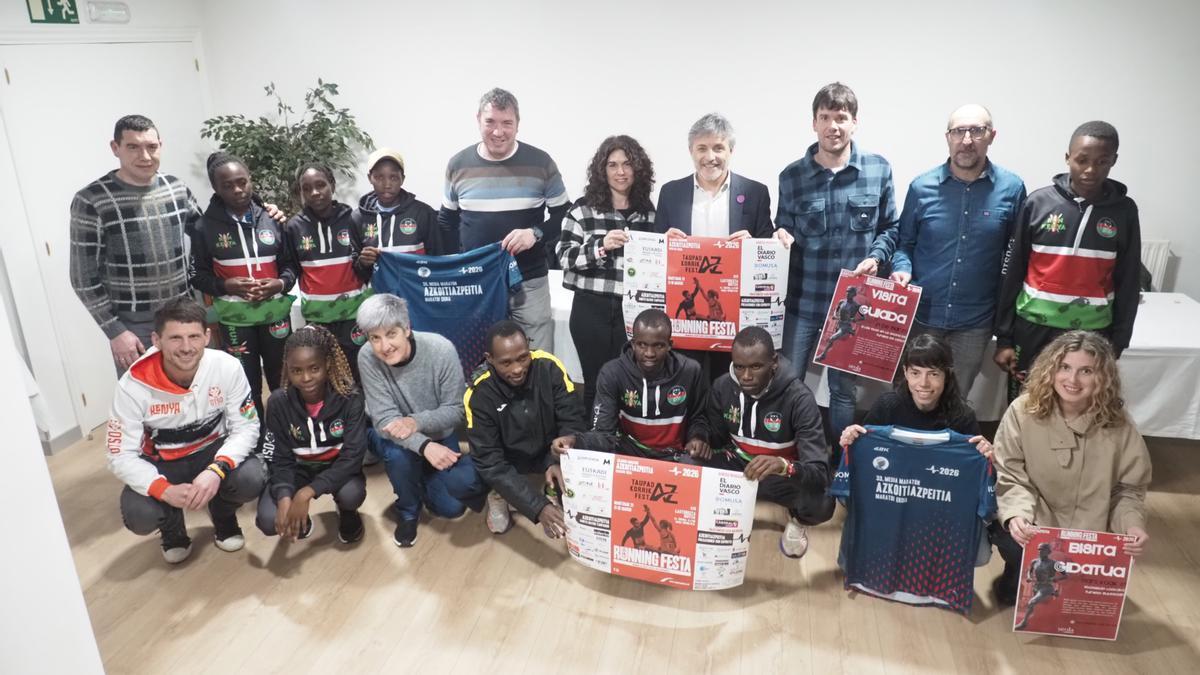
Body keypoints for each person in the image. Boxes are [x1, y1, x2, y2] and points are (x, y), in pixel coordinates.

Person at [775, 82, 899, 439]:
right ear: (814, 123)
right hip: (804, 301)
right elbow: (783, 224)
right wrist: (780, 232)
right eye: (825, 117)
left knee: (844, 391)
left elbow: (891, 227)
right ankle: (790, 454)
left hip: (852, 305)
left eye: (841, 118)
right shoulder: (792, 176)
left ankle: (840, 460)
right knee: (789, 382)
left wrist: (876, 257)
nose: (833, 126)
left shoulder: (878, 169)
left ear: (855, 122)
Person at [990, 330, 1151, 605]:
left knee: (1076, 603)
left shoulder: (1119, 425)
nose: (1072, 380)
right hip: (1037, 523)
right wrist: (1017, 516)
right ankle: (1016, 573)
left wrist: (1132, 525)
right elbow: (1010, 475)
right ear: (1051, 370)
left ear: (1103, 378)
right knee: (1015, 584)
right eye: (1064, 367)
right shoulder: (1021, 411)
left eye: (1086, 371)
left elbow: (1128, 490)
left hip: (1090, 534)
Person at [105, 297, 265, 563]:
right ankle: (172, 528)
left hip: (210, 452)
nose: (187, 347)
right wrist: (162, 489)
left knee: (253, 477)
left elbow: (247, 426)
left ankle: (223, 515)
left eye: (193, 336)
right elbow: (119, 455)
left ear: (207, 335)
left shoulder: (227, 366)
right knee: (140, 515)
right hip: (162, 463)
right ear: (156, 340)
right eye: (175, 338)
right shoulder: (132, 385)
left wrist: (217, 470)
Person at [993, 122, 1141, 399]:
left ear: (1114, 161)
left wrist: (1118, 341)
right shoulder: (1037, 203)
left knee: (1077, 404)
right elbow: (1012, 273)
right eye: (1082, 160)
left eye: (1102, 162)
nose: (1090, 170)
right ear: (1067, 157)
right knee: (1026, 403)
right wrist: (1004, 338)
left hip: (1093, 331)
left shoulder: (1124, 211)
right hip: (1033, 327)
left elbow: (1129, 280)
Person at [888, 105, 1027, 395]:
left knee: (956, 396)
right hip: (922, 317)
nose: (967, 140)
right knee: (913, 395)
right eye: (959, 131)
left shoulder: (1012, 189)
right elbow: (905, 244)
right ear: (947, 137)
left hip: (974, 323)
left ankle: (947, 442)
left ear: (992, 136)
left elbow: (1014, 260)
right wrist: (902, 268)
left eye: (976, 131)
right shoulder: (921, 187)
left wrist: (1005, 333)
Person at [655, 113, 794, 379]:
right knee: (687, 381)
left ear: (731, 150)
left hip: (734, 318)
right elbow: (656, 253)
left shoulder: (755, 192)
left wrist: (754, 246)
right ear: (690, 151)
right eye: (702, 148)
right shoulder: (670, 192)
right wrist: (664, 242)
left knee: (728, 384)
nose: (710, 156)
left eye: (718, 147)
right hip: (687, 322)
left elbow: (768, 249)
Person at [438, 88, 569, 351]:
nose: (498, 132)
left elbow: (564, 215)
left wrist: (535, 233)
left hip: (529, 280)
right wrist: (458, 269)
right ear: (478, 120)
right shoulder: (458, 164)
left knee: (538, 358)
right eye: (491, 122)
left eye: (507, 123)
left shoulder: (541, 163)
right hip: (477, 282)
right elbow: (446, 223)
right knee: (479, 354)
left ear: (517, 124)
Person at [70, 115, 202, 373]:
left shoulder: (176, 188)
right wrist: (115, 331)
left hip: (183, 317)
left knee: (196, 393)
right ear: (115, 148)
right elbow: (82, 278)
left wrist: (262, 212)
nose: (145, 156)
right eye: (133, 147)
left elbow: (206, 234)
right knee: (148, 403)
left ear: (160, 145)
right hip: (134, 327)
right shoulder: (92, 200)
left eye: (151, 147)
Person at [356, 293, 488, 547]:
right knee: (397, 455)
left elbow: (455, 409)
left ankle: (417, 477)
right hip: (389, 435)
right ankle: (407, 510)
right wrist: (425, 447)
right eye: (375, 338)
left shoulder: (441, 350)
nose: (384, 346)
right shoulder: (367, 357)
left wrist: (416, 423)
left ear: (407, 329)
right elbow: (385, 420)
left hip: (438, 431)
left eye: (391, 334)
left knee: (452, 508)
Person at [704, 326, 835, 559]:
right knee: (688, 462)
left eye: (756, 366)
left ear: (773, 362)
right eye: (739, 366)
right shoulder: (723, 386)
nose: (746, 376)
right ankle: (719, 514)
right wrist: (699, 437)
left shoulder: (799, 398)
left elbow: (819, 470)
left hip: (780, 475)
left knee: (823, 502)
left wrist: (783, 466)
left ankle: (797, 522)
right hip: (738, 466)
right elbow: (714, 437)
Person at [189, 152, 298, 419]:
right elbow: (197, 274)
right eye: (228, 185)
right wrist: (226, 285)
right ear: (215, 188)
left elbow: (291, 266)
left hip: (275, 316)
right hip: (236, 320)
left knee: (282, 379)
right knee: (244, 383)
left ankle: (287, 435)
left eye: (243, 181)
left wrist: (280, 284)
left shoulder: (272, 218)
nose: (238, 189)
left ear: (251, 180)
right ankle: (256, 441)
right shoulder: (204, 226)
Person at [556, 135, 658, 413]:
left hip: (635, 310)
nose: (621, 172)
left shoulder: (650, 214)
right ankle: (593, 444)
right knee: (595, 381)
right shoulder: (581, 210)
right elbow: (563, 257)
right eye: (612, 165)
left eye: (627, 164)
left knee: (631, 382)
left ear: (638, 169)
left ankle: (624, 444)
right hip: (592, 307)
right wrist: (600, 247)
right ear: (602, 171)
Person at [464, 320, 585, 538]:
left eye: (523, 357)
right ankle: (499, 494)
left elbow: (572, 418)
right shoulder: (478, 393)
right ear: (489, 359)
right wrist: (538, 507)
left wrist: (558, 458)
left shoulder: (549, 367)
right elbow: (490, 460)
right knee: (473, 476)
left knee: (579, 483)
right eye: (506, 363)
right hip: (508, 459)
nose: (518, 368)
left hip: (547, 449)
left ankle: (551, 483)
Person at [551, 309, 710, 462]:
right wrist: (575, 441)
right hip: (627, 454)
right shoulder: (613, 373)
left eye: (658, 346)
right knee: (594, 457)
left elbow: (699, 417)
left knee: (696, 460)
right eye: (642, 345)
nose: (649, 353)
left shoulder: (690, 371)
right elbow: (603, 434)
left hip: (676, 454)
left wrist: (697, 438)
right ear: (633, 344)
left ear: (670, 345)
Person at [256, 325, 367, 545]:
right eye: (297, 370)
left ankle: (347, 512)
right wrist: (286, 495)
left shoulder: (349, 397)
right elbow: (279, 458)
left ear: (326, 364)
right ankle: (301, 518)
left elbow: (353, 455)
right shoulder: (278, 403)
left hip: (337, 467)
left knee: (351, 494)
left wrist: (306, 493)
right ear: (287, 369)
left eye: (314, 368)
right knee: (268, 520)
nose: (306, 377)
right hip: (298, 470)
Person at [838, 333, 993, 454]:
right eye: (915, 373)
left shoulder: (963, 417)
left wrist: (985, 454)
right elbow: (864, 451)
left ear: (947, 375)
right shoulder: (887, 406)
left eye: (933, 374)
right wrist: (851, 439)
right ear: (905, 372)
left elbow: (976, 471)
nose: (924, 383)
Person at [287, 162, 371, 380]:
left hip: (354, 315)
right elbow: (292, 269)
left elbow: (364, 267)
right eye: (307, 188)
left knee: (358, 372)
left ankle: (361, 414)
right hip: (318, 318)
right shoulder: (294, 227)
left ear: (332, 185)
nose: (315, 192)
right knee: (325, 373)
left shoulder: (352, 219)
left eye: (320, 185)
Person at [353, 148, 442, 276]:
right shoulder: (358, 217)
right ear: (370, 178)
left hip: (415, 290)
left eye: (393, 177)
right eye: (379, 177)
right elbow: (357, 271)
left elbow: (437, 260)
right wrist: (363, 263)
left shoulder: (423, 213)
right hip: (378, 292)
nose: (387, 184)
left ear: (403, 179)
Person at [1014, 542, 1068, 630]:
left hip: (1047, 587)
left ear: (1048, 551)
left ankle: (1023, 623)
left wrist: (1056, 579)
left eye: (1042, 550)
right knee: (1034, 606)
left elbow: (1065, 575)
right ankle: (1053, 594)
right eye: (1039, 549)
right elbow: (1029, 570)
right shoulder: (1034, 561)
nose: (1040, 551)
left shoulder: (1055, 563)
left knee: (1031, 602)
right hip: (1036, 586)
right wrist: (1028, 577)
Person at [814, 285, 865, 363]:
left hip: (845, 326)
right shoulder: (842, 301)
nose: (847, 293)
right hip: (838, 324)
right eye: (847, 291)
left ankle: (823, 355)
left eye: (850, 292)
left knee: (832, 338)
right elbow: (836, 310)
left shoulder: (857, 305)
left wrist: (854, 319)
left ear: (854, 294)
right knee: (833, 342)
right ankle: (827, 356)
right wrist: (835, 315)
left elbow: (863, 318)